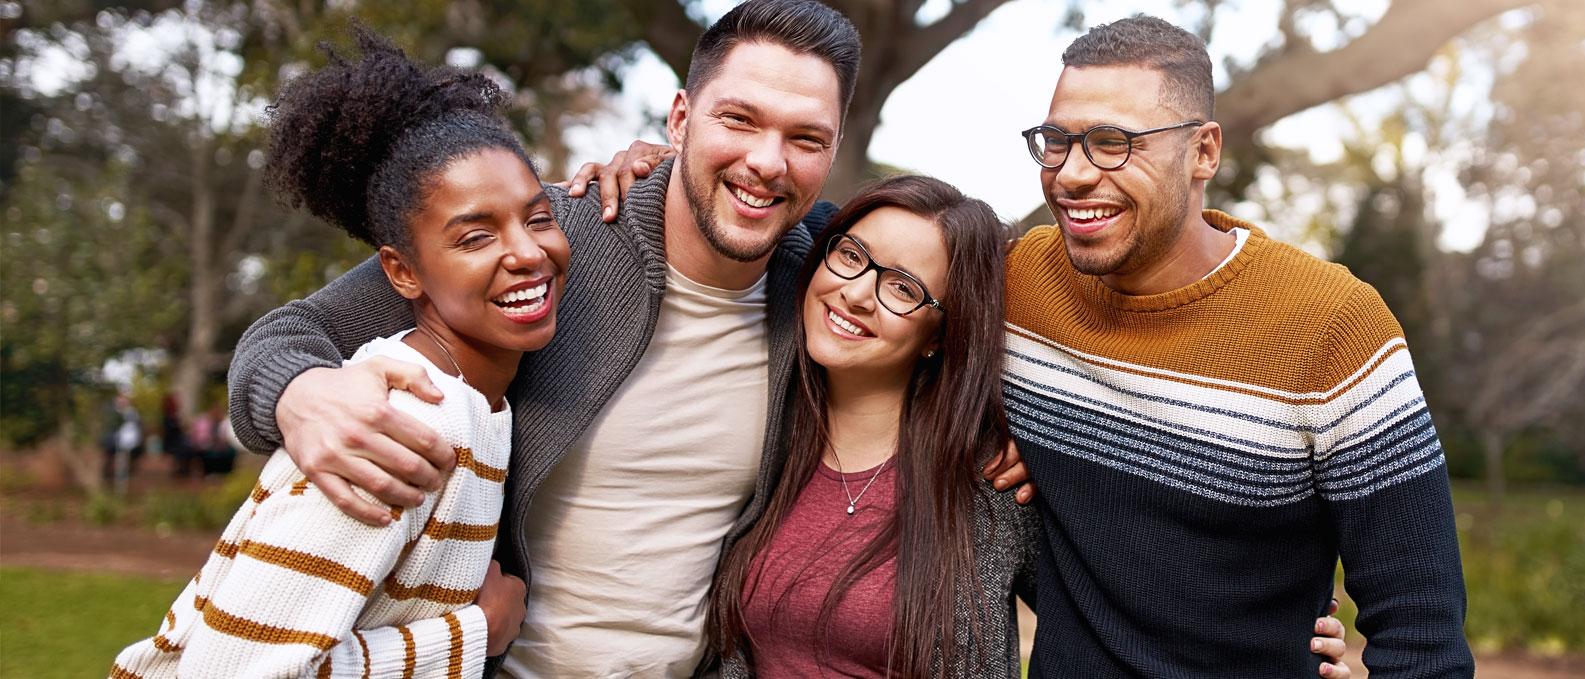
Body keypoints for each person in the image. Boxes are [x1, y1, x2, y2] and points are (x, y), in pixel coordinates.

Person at [220, 3, 1028, 676]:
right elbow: (291, 332)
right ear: (679, 117)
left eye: (805, 139)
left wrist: (1001, 425)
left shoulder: (820, 281)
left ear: (829, 153)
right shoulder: (548, 242)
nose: (765, 161)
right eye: (737, 119)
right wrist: (301, 393)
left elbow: (938, 299)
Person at [1005, 16, 1473, 677]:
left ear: (1204, 152)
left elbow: (1422, 631)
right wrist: (975, 429)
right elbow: (853, 274)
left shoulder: (1332, 325)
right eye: (1057, 141)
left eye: (1114, 143)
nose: (1073, 174)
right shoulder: (1018, 281)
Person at [112, 25, 549, 677]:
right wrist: (471, 633)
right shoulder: (399, 420)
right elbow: (227, 669)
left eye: (539, 217)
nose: (528, 251)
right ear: (402, 272)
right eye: (475, 236)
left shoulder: (482, 406)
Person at [702, 175, 1032, 678]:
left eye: (903, 288)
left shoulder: (989, 478)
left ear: (940, 336)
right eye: (853, 256)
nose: (856, 294)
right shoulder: (769, 427)